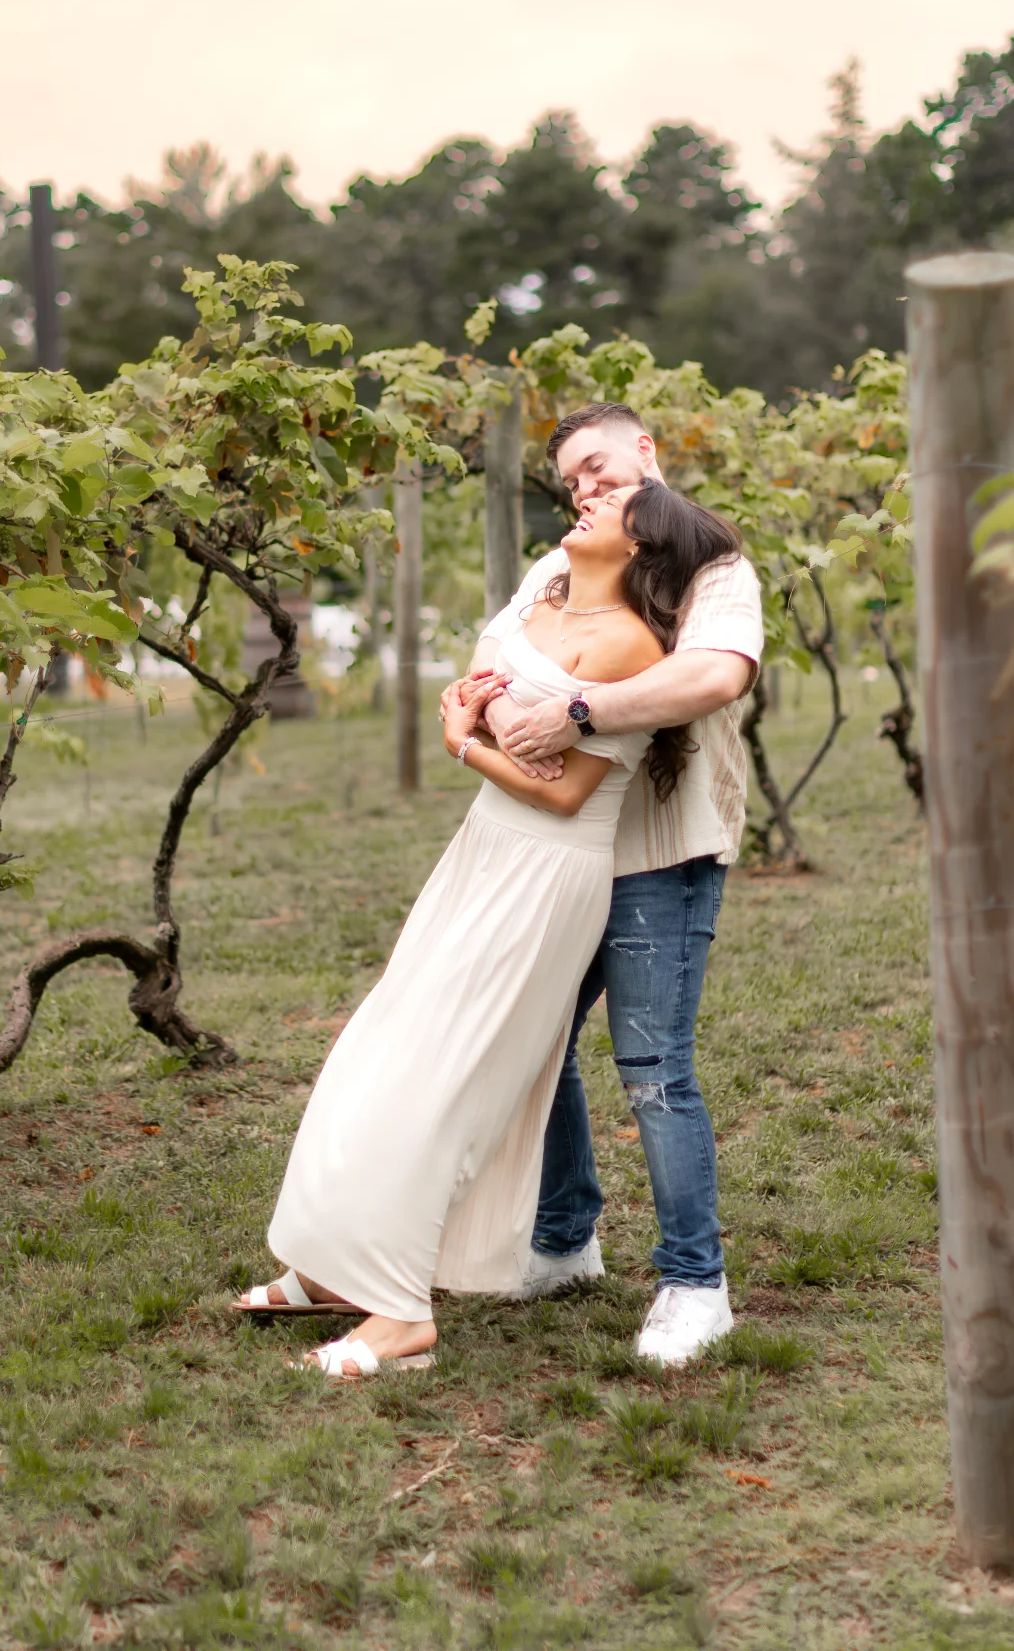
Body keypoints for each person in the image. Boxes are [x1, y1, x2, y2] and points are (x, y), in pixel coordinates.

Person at [234, 478, 741, 1379]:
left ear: (639, 545)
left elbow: (564, 791)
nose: (586, 499)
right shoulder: (540, 601)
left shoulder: (629, 643)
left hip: (546, 877)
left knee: (444, 1081)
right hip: (481, 852)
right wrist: (484, 719)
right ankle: (335, 1267)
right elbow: (493, 695)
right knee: (380, 1052)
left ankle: (400, 1315)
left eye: (613, 502)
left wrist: (464, 743)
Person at [453, 402, 762, 1366]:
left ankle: (695, 1283)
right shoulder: (560, 565)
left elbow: (712, 676)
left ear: (645, 450)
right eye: (571, 481)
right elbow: (490, 660)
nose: (583, 488)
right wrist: (489, 712)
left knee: (653, 1067)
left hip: (657, 852)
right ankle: (563, 1240)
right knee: (534, 1044)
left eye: (596, 465)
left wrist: (578, 710)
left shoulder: (712, 564)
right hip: (557, 851)